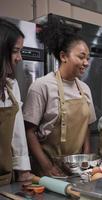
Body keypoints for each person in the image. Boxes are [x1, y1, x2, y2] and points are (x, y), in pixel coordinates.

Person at [23, 16, 96, 176]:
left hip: (77, 168)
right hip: (47, 170)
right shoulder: (42, 86)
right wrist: (48, 167)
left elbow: (87, 128)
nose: (86, 63)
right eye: (81, 57)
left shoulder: (85, 89)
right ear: (63, 56)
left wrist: (86, 159)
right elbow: (29, 132)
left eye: (88, 58)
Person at [0, 18, 32, 185]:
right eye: (15, 51)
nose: (19, 58)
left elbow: (17, 133)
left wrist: (23, 171)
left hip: (5, 178)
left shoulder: (11, 87)